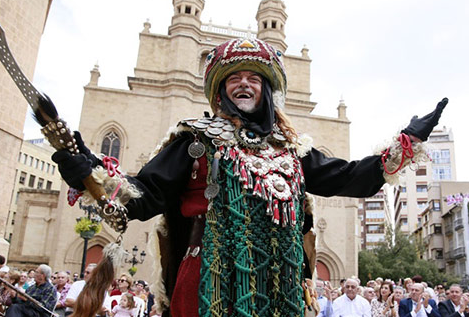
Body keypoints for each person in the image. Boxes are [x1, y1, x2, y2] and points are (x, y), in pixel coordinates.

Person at [53, 38, 448, 317]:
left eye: (253, 78)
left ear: (266, 89)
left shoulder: (291, 149)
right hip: (210, 278)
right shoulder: (195, 139)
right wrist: (88, 171)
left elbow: (347, 178)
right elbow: (144, 195)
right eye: (234, 77)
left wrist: (407, 143)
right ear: (221, 90)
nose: (244, 83)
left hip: (280, 286)